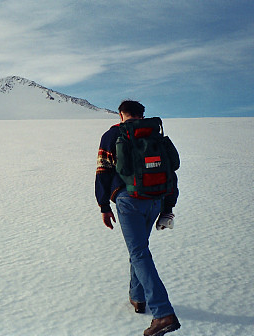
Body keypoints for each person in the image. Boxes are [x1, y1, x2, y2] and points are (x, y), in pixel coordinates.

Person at [95, 100, 181, 336]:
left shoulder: (112, 135)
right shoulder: (154, 134)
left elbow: (103, 170)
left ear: (121, 114)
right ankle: (138, 297)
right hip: (155, 200)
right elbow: (170, 172)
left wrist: (103, 205)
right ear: (142, 115)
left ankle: (163, 313)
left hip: (128, 201)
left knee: (138, 252)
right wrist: (168, 207)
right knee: (140, 248)